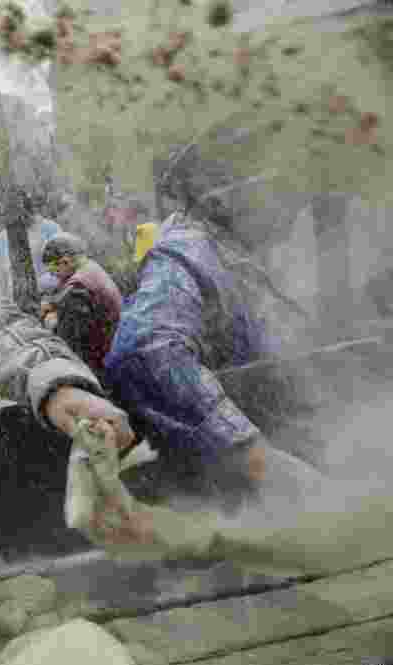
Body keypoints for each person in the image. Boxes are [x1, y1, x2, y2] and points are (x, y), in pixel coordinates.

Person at [104, 132, 328, 514]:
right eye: (271, 182)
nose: (289, 195)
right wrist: (257, 458)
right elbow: (145, 348)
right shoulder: (190, 251)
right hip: (263, 519)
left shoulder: (248, 251)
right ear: (222, 194)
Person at [39, 232, 123, 376]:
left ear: (65, 261)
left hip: (102, 367)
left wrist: (49, 321)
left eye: (53, 270)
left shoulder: (77, 289)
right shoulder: (91, 268)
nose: (53, 276)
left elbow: (69, 343)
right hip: (116, 350)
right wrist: (56, 303)